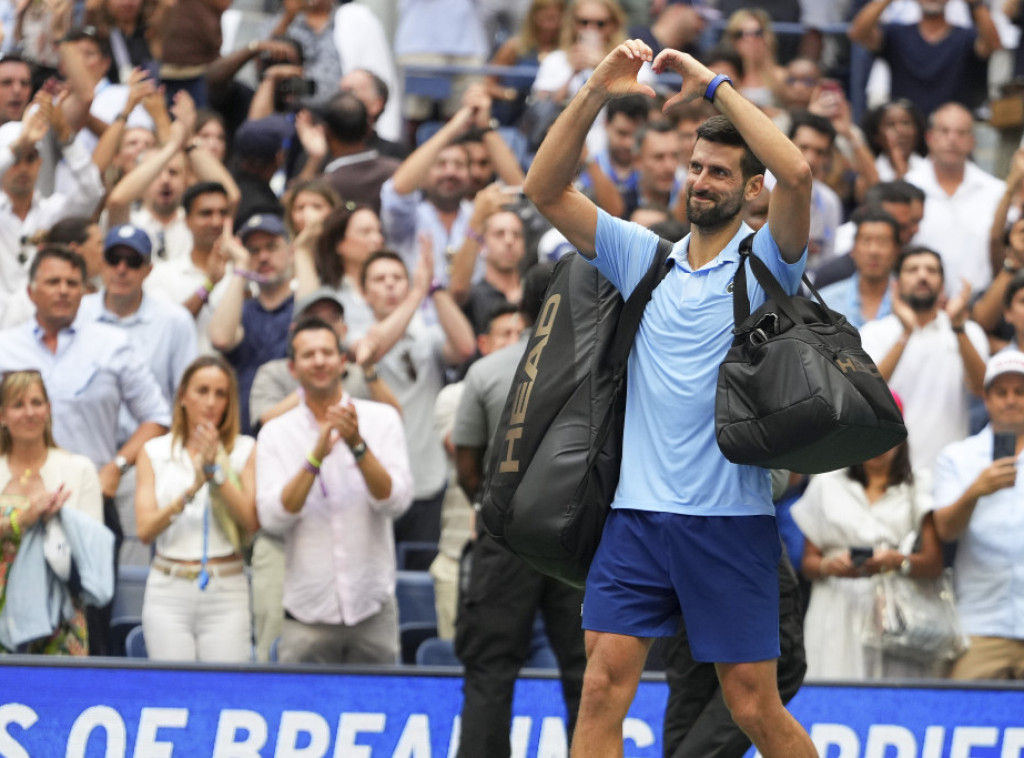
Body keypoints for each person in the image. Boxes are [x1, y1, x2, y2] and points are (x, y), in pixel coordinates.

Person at [524, 39, 816, 757]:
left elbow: (799, 172)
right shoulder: (643, 256)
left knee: (753, 705)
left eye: (720, 172)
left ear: (751, 190)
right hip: (637, 518)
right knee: (601, 688)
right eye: (695, 168)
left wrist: (714, 86)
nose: (702, 181)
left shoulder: (767, 263)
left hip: (731, 522)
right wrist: (596, 89)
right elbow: (545, 188)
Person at [452, 266, 587, 757]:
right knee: (589, 674)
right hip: (576, 534)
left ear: (525, 308)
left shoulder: (488, 370)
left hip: (504, 530)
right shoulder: (600, 367)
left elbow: (467, 463)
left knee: (490, 667)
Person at [256, 316, 413, 665]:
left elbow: (397, 502)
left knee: (379, 712)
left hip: (373, 609)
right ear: (292, 368)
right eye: (308, 354)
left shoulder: (382, 419)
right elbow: (271, 518)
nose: (319, 361)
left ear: (343, 362)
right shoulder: (276, 433)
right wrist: (314, 458)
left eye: (327, 352)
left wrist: (358, 446)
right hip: (307, 613)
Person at [78, 224, 197, 565]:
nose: (122, 269)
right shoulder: (78, 313)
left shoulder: (174, 320)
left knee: (132, 566)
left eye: (133, 261)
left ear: (149, 269)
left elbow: (183, 399)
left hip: (146, 462)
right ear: (102, 262)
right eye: (114, 258)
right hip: (84, 459)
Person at [134, 355, 258, 662]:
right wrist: (191, 490)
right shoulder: (154, 451)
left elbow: (251, 521)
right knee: (171, 693)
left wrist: (216, 472)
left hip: (226, 586)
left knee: (225, 693)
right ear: (183, 397)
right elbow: (145, 530)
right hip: (168, 587)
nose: (211, 402)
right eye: (202, 391)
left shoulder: (245, 449)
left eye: (221, 393)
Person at [791, 434, 943, 679]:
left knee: (895, 701)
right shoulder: (826, 482)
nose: (878, 446)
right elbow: (808, 562)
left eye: (886, 436)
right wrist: (829, 566)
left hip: (898, 612)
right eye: (870, 435)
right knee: (833, 692)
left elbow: (934, 562)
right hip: (836, 608)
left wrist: (898, 562)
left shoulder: (919, 484)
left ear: (901, 440)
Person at [0, 370, 112, 655]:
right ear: (2, 415)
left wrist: (59, 523)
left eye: (37, 403)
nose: (29, 413)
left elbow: (93, 550)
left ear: (49, 410)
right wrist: (22, 520)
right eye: (18, 405)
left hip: (62, 615)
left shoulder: (79, 469)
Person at [932, 350, 1024, 680]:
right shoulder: (958, 457)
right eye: (1001, 392)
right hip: (981, 624)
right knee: (963, 718)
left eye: (1019, 391)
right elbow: (945, 531)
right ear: (986, 399)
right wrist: (975, 491)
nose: (1011, 400)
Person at [860, 246, 988, 473]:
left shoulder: (968, 331)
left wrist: (957, 327)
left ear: (942, 284)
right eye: (912, 270)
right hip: (890, 472)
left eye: (931, 270)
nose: (922, 275)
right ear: (896, 284)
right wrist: (906, 334)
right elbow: (867, 392)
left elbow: (980, 389)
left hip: (948, 468)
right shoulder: (873, 332)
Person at [904, 102, 1004, 298]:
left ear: (972, 141)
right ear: (929, 137)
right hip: (917, 302)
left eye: (961, 133)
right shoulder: (906, 188)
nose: (952, 139)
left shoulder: (996, 192)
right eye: (944, 131)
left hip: (980, 306)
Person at [209, 214, 295, 434]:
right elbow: (220, 338)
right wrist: (240, 267)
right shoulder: (242, 309)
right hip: (244, 437)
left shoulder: (302, 304)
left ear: (290, 251)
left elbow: (314, 328)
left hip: (296, 431)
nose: (263, 256)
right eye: (254, 250)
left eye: (272, 246)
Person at [848, 0, 1000, 118]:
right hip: (908, 134)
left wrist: (976, 4)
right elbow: (857, 33)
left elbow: (992, 44)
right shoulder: (897, 34)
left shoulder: (965, 37)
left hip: (950, 133)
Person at [817, 206, 900, 329]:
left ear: (897, 251)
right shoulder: (824, 302)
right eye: (866, 241)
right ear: (853, 250)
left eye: (882, 242)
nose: (873, 251)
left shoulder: (912, 302)